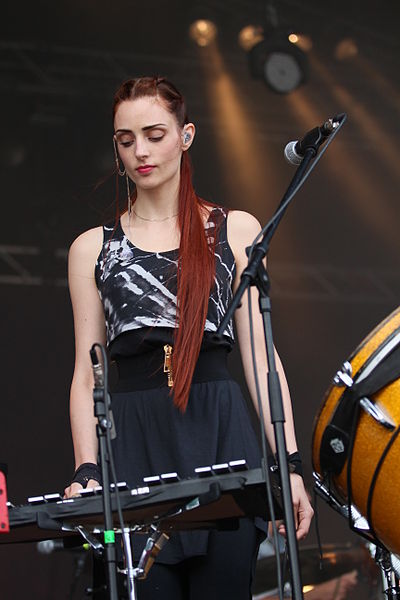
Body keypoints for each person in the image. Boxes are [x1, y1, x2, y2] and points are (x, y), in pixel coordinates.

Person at [64, 76, 313, 599]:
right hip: (135, 449)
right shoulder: (93, 248)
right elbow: (88, 372)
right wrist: (87, 470)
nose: (141, 151)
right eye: (126, 140)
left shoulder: (236, 229)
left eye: (155, 134)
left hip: (222, 440)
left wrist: (289, 467)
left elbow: (262, 359)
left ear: (187, 135)